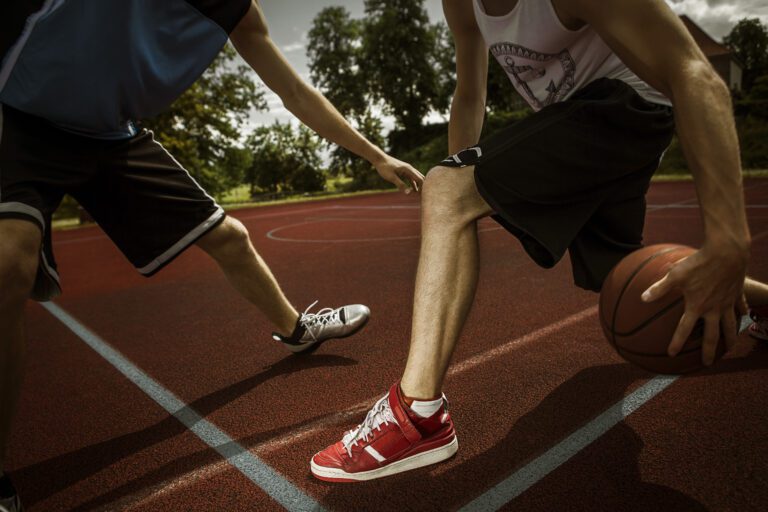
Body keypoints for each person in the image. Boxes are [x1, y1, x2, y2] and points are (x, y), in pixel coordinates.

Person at [310, 0, 768, 482]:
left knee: (447, 186)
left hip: (629, 104)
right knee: (620, 274)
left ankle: (418, 416)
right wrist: (460, 182)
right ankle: (763, 301)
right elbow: (470, 93)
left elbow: (697, 73)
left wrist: (728, 240)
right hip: (585, 115)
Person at [0, 0, 425, 508]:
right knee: (8, 263)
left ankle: (296, 331)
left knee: (231, 238)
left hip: (109, 135)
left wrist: (375, 156)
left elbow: (292, 91)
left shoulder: (236, 10)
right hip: (19, 113)